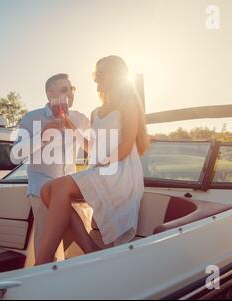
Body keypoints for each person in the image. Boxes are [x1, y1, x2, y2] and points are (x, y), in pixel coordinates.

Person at [36, 56, 150, 265]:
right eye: (96, 74)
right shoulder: (96, 112)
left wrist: (101, 164)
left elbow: (125, 146)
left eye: (101, 74)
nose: (96, 78)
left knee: (59, 188)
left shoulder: (129, 104)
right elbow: (93, 149)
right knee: (46, 190)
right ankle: (89, 249)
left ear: (115, 76)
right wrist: (70, 126)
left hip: (121, 171)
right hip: (102, 168)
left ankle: (42, 262)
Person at [11, 73, 90, 262]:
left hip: (71, 190)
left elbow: (95, 149)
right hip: (41, 190)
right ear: (49, 93)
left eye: (72, 89)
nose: (70, 93)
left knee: (77, 248)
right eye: (64, 89)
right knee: (48, 247)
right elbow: (15, 156)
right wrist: (42, 137)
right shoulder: (32, 118)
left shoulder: (80, 119)